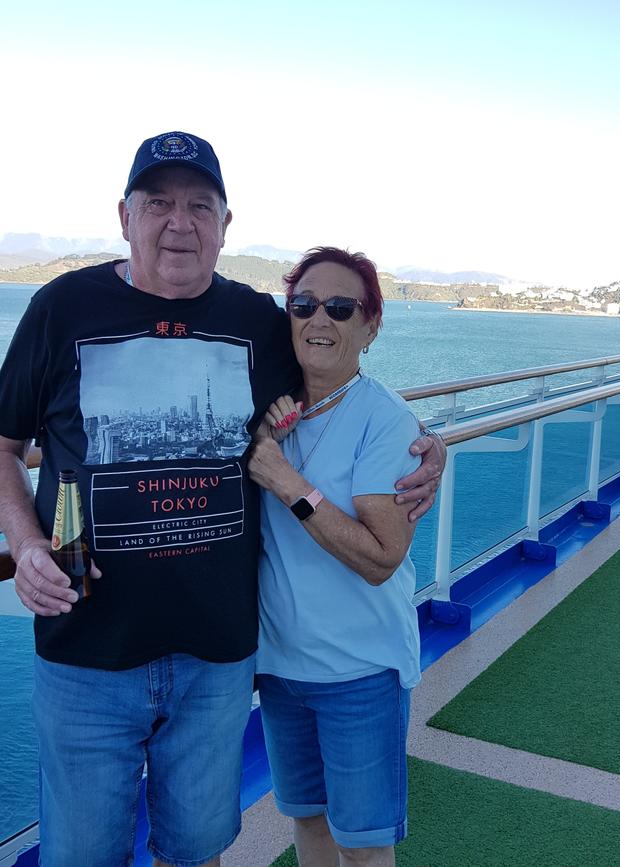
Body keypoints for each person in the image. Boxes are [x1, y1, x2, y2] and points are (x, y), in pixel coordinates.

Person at [0, 132, 445, 867]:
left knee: (198, 851)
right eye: (160, 203)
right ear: (124, 215)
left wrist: (428, 445)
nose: (180, 222)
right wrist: (23, 542)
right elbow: (6, 444)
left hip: (219, 659)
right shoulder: (60, 308)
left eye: (199, 205)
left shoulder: (259, 323)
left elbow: (336, 381)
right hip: (85, 656)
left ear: (225, 225)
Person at [249, 247, 425, 867]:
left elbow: (381, 558)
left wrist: (286, 481)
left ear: (370, 326)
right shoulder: (274, 410)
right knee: (311, 828)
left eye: (341, 307)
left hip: (359, 672)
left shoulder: (385, 420)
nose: (319, 319)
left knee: (365, 850)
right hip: (281, 668)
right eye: (304, 304)